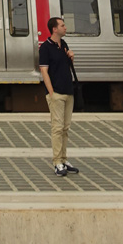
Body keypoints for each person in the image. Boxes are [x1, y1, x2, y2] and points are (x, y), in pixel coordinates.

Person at [38, 15, 79, 177]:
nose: (65, 27)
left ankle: (64, 159)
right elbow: (44, 71)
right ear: (54, 29)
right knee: (57, 128)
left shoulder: (64, 45)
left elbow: (67, 68)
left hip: (69, 91)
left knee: (65, 128)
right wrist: (51, 93)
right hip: (57, 93)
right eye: (62, 25)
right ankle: (57, 162)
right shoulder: (45, 48)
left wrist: (71, 58)